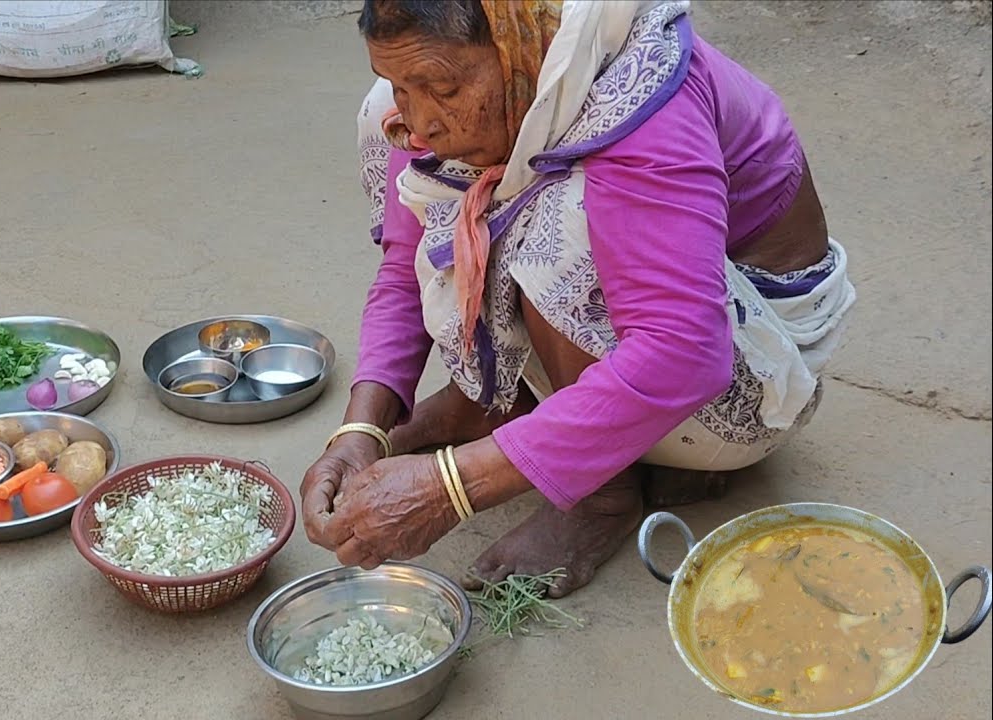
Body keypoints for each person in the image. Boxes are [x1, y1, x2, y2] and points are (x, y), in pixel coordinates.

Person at [301, 0, 856, 598]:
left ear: (516, 42)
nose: (419, 124)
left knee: (556, 218)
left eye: (440, 87)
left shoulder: (637, 98)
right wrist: (361, 430)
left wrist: (452, 487)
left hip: (749, 369)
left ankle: (601, 492)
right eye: (402, 85)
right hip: (670, 334)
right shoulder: (449, 99)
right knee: (388, 127)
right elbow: (403, 264)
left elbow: (683, 352)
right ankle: (497, 399)